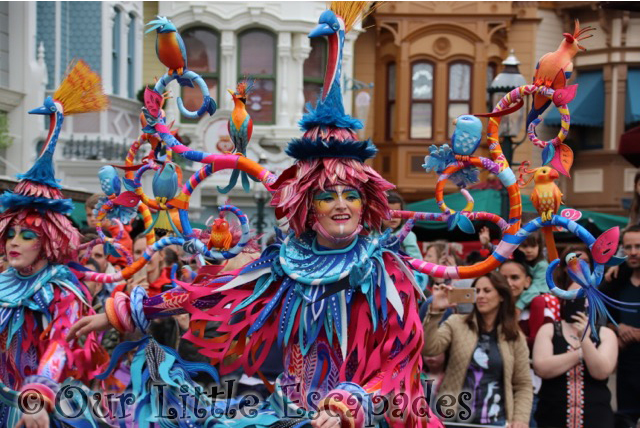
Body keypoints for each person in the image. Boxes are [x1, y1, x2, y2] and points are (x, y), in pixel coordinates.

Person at [68, 4, 443, 427]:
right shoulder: (285, 264)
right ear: (306, 204)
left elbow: (398, 358)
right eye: (326, 195)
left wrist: (346, 406)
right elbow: (206, 295)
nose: (341, 203)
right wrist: (128, 311)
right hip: (292, 416)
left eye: (350, 194)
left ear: (365, 202)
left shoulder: (386, 271)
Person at [0, 61, 108, 428]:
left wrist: (37, 395)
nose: (15, 242)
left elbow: (62, 342)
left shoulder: (60, 289)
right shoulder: (3, 283)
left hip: (40, 410)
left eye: (27, 235)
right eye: (12, 234)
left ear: (47, 242)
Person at [423, 271, 532, 427]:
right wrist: (435, 311)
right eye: (477, 291)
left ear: (501, 296)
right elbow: (429, 348)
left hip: (496, 421)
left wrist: (520, 419)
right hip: (455, 420)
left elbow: (523, 384)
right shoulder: (456, 323)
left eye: (487, 291)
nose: (480, 296)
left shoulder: (514, 336)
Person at [532, 283, 617, 428]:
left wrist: (584, 339)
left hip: (596, 418)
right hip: (552, 418)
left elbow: (601, 371)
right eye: (572, 296)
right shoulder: (550, 329)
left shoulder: (605, 333)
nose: (577, 301)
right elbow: (541, 368)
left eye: (583, 297)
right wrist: (579, 354)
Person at [600, 225, 640, 427]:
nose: (633, 252)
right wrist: (617, 328)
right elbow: (602, 316)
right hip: (626, 374)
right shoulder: (616, 280)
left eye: (638, 246)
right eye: (628, 247)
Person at [382, 191, 423, 259]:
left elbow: (416, 259)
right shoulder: (374, 234)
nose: (394, 217)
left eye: (398, 212)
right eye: (389, 212)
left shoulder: (407, 234)